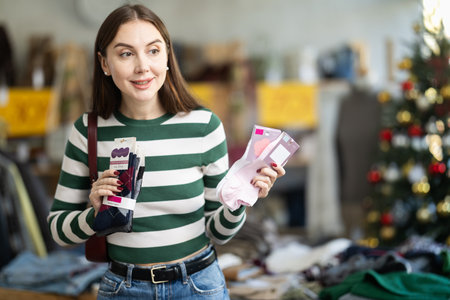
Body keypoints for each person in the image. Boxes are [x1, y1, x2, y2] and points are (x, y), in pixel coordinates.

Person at [48, 4, 285, 299]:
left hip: (199, 286)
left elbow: (218, 231)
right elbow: (58, 229)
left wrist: (240, 201)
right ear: (105, 63)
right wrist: (94, 215)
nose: (142, 66)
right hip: (124, 289)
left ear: (168, 56)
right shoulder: (88, 131)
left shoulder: (204, 126)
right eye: (125, 53)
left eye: (153, 50)